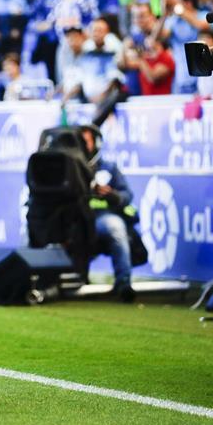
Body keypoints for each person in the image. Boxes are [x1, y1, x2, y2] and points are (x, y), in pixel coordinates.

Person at [81, 125, 136, 303]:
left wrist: (113, 196)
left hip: (102, 216)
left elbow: (127, 195)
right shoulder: (70, 167)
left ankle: (123, 283)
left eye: (86, 141)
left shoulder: (109, 168)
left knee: (115, 226)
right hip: (76, 217)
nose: (82, 146)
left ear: (96, 143)